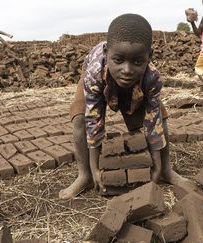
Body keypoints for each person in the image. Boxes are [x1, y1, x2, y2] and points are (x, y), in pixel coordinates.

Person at [59, 13, 188, 200]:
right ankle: (85, 175)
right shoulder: (94, 73)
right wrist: (96, 169)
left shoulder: (152, 77)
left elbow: (154, 123)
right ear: (106, 53)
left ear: (149, 57)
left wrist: (157, 167)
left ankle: (167, 171)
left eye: (137, 61)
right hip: (101, 81)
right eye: (119, 60)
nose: (127, 70)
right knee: (79, 118)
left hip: (136, 85)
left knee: (160, 116)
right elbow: (94, 121)